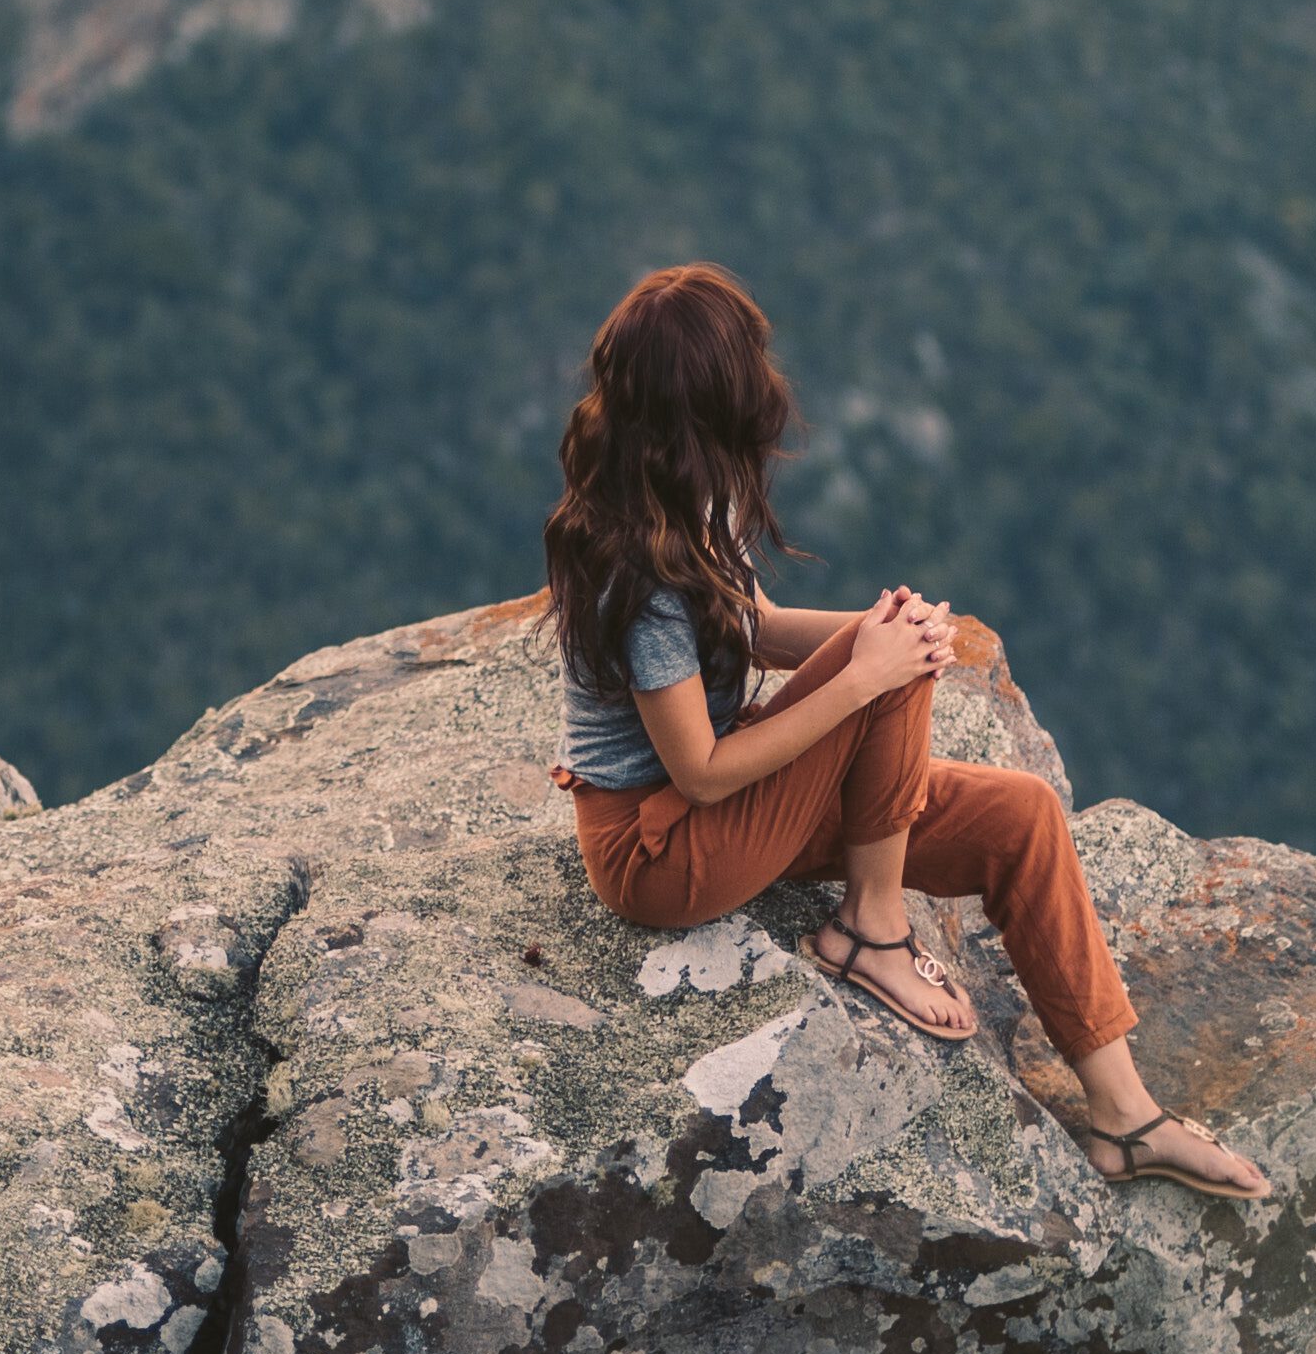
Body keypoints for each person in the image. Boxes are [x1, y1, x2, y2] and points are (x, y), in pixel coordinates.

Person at [543, 262, 1270, 1202]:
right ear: (702, 414)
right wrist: (865, 678)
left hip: (732, 812)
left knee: (1024, 813)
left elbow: (755, 628)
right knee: (881, 677)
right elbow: (705, 772)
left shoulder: (694, 499)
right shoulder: (633, 573)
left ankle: (1126, 1120)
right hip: (661, 847)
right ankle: (871, 928)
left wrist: (879, 635)